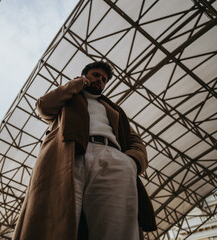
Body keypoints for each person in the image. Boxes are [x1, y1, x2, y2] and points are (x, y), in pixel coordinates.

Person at [13, 61, 156, 240]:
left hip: (113, 156)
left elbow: (135, 140)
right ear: (84, 75)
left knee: (117, 224)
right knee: (58, 217)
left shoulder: (114, 110)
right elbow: (44, 106)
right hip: (70, 153)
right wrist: (78, 83)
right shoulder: (67, 99)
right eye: (96, 75)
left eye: (104, 80)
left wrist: (133, 161)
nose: (100, 81)